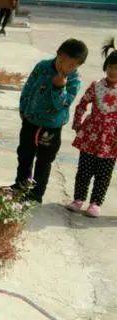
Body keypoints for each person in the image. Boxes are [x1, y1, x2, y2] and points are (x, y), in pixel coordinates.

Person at [5, 39, 88, 203]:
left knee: (44, 161)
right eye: (62, 61)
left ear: (78, 66)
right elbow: (29, 87)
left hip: (52, 126)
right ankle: (21, 185)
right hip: (30, 120)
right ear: (58, 54)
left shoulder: (74, 80)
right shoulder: (42, 66)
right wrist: (23, 109)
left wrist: (59, 87)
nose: (65, 67)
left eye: (72, 66)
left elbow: (62, 104)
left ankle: (36, 194)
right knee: (24, 154)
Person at [66, 39, 117, 218]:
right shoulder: (96, 85)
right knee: (84, 170)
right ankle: (78, 199)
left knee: (104, 174)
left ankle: (95, 204)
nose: (113, 71)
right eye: (110, 67)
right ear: (105, 66)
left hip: (111, 140)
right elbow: (82, 104)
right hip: (91, 135)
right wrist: (77, 123)